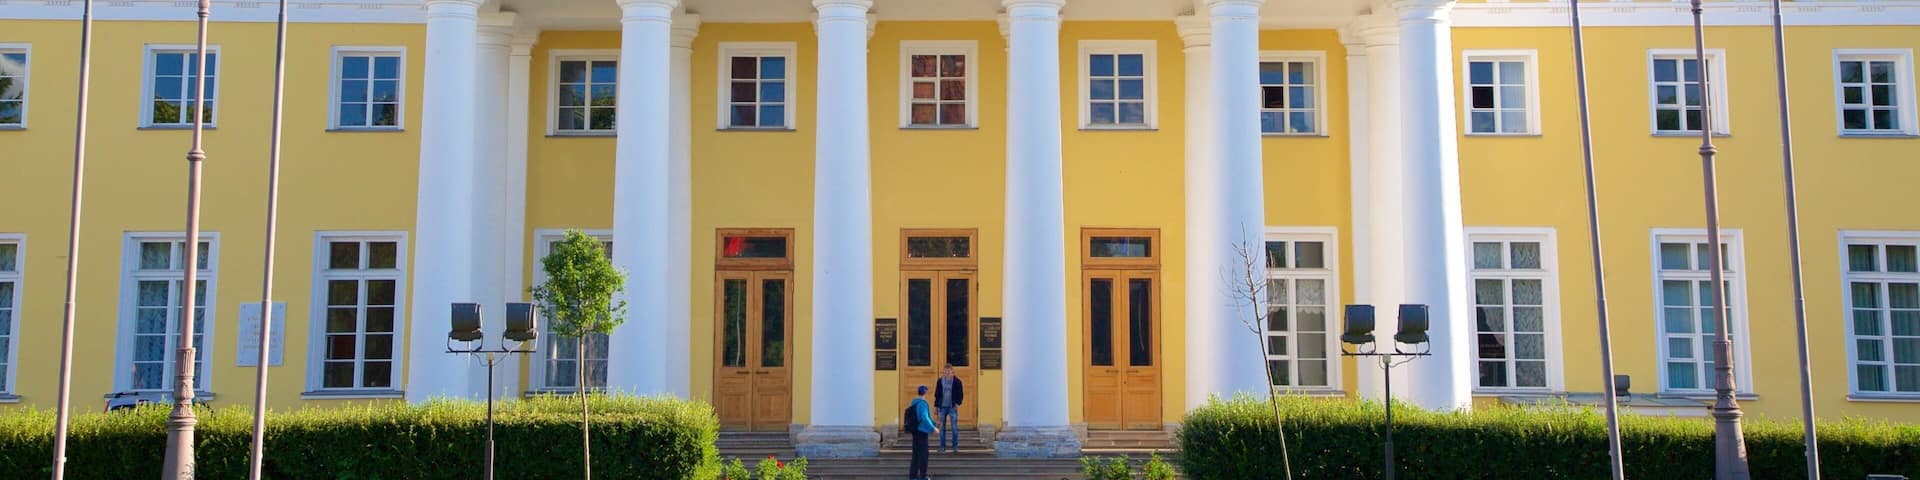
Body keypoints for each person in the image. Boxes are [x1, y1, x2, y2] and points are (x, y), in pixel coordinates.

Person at [906, 385, 938, 480]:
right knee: (924, 454)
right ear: (925, 393)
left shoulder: (913, 402)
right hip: (922, 431)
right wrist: (933, 428)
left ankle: (913, 476)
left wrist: (934, 423)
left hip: (915, 431)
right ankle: (923, 476)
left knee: (915, 454)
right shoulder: (923, 403)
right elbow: (924, 417)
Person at [932, 364, 965, 452]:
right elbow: (937, 394)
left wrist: (958, 403)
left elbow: (961, 394)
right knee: (942, 428)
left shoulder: (957, 381)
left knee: (954, 428)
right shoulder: (940, 381)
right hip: (942, 407)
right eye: (945, 371)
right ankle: (942, 447)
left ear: (952, 371)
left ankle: (955, 447)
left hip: (952, 407)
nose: (947, 373)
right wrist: (936, 406)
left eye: (948, 371)